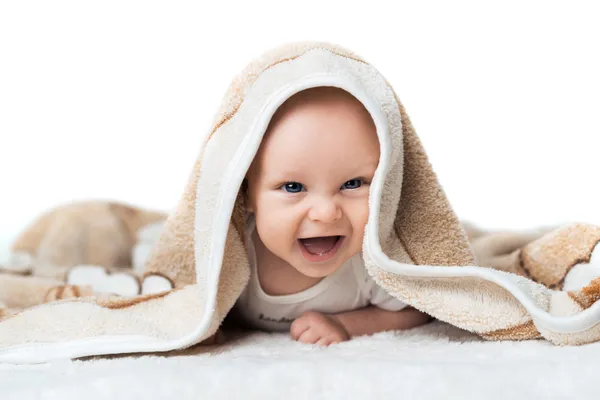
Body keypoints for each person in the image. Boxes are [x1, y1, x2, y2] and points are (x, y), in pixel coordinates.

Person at [234, 86, 432, 346]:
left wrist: (345, 325)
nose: (326, 213)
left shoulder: (372, 265)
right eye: (293, 187)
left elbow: (418, 309)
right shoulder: (231, 253)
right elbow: (184, 290)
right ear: (246, 193)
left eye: (352, 184)